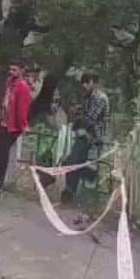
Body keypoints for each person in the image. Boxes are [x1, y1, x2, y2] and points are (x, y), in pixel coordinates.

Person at [61, 72, 110, 203]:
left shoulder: (100, 98)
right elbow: (80, 113)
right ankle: (69, 193)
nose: (84, 86)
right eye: (83, 83)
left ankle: (88, 177)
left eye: (86, 83)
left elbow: (90, 119)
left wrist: (80, 116)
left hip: (94, 137)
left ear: (93, 83)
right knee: (72, 162)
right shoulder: (87, 96)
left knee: (71, 163)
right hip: (83, 134)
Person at [0, 60, 32, 192]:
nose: (12, 72)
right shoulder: (10, 83)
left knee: (1, 152)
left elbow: (22, 108)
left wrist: (23, 126)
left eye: (15, 70)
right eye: (10, 69)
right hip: (4, 122)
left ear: (21, 71)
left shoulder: (22, 86)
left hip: (13, 126)